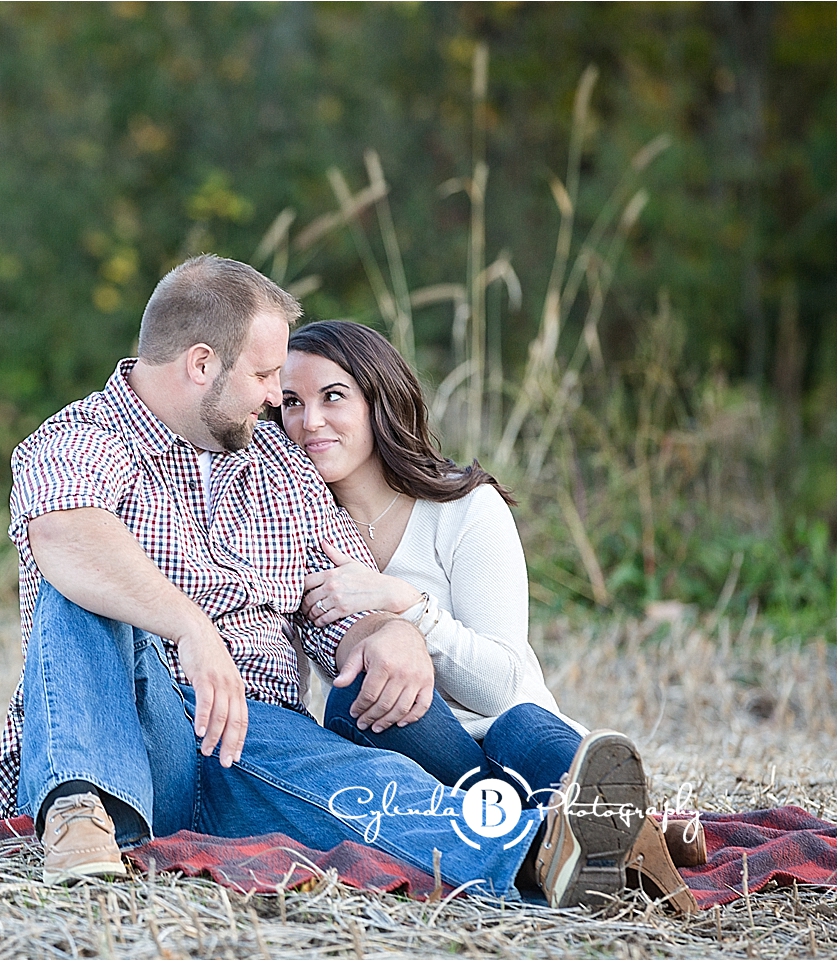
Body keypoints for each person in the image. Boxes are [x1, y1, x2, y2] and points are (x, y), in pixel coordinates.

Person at [0, 254, 651, 908]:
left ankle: (540, 851)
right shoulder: (78, 438)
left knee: (363, 779)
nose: (276, 396)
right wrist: (189, 626)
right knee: (78, 578)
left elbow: (338, 602)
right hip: (129, 728)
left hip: (252, 736)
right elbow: (64, 535)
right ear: (200, 364)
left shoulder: (277, 460)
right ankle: (80, 808)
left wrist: (388, 633)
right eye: (264, 373)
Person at [280, 319, 697, 910]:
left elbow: (503, 681)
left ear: (378, 399)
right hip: (408, 753)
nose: (309, 422)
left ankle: (583, 829)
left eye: (333, 396)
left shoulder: (465, 511)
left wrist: (406, 607)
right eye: (291, 403)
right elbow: (288, 679)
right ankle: (607, 838)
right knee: (363, 694)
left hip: (512, 738)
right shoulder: (288, 528)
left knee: (523, 725)